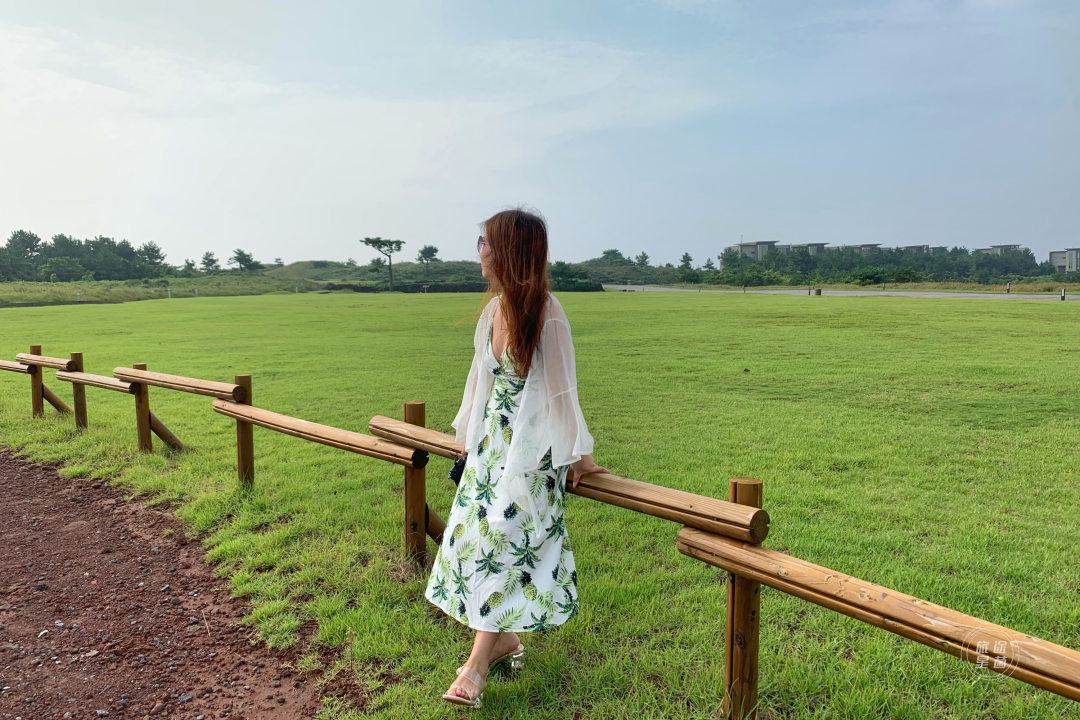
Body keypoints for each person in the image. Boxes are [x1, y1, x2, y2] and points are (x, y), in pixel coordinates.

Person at [424, 207, 606, 708]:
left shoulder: (548, 314)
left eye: (484, 243)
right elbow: (478, 381)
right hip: (488, 456)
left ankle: (474, 668)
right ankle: (503, 640)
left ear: (507, 252)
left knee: (502, 549)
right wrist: (466, 433)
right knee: (474, 545)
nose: (479, 252)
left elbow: (562, 394)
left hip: (529, 458)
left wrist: (580, 457)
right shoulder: (493, 311)